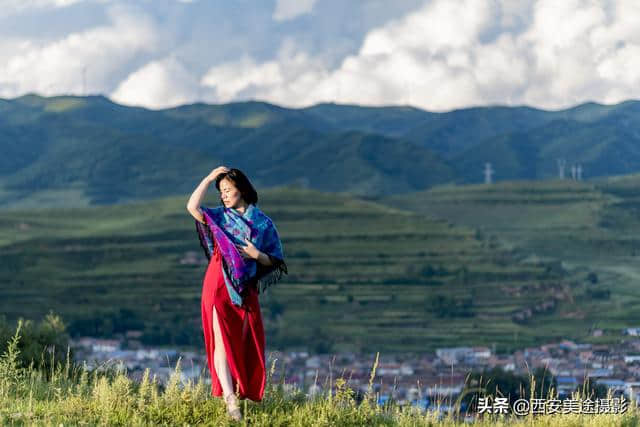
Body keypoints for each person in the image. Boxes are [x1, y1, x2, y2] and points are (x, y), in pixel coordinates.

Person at [186, 166, 287, 421]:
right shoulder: (219, 216)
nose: (224, 196)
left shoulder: (263, 223)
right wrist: (209, 178)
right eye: (221, 192)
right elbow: (192, 207)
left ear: (241, 189)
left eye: (228, 190)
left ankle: (240, 391)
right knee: (221, 338)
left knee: (242, 338)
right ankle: (230, 399)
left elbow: (274, 260)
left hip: (246, 287)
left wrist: (256, 255)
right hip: (218, 281)